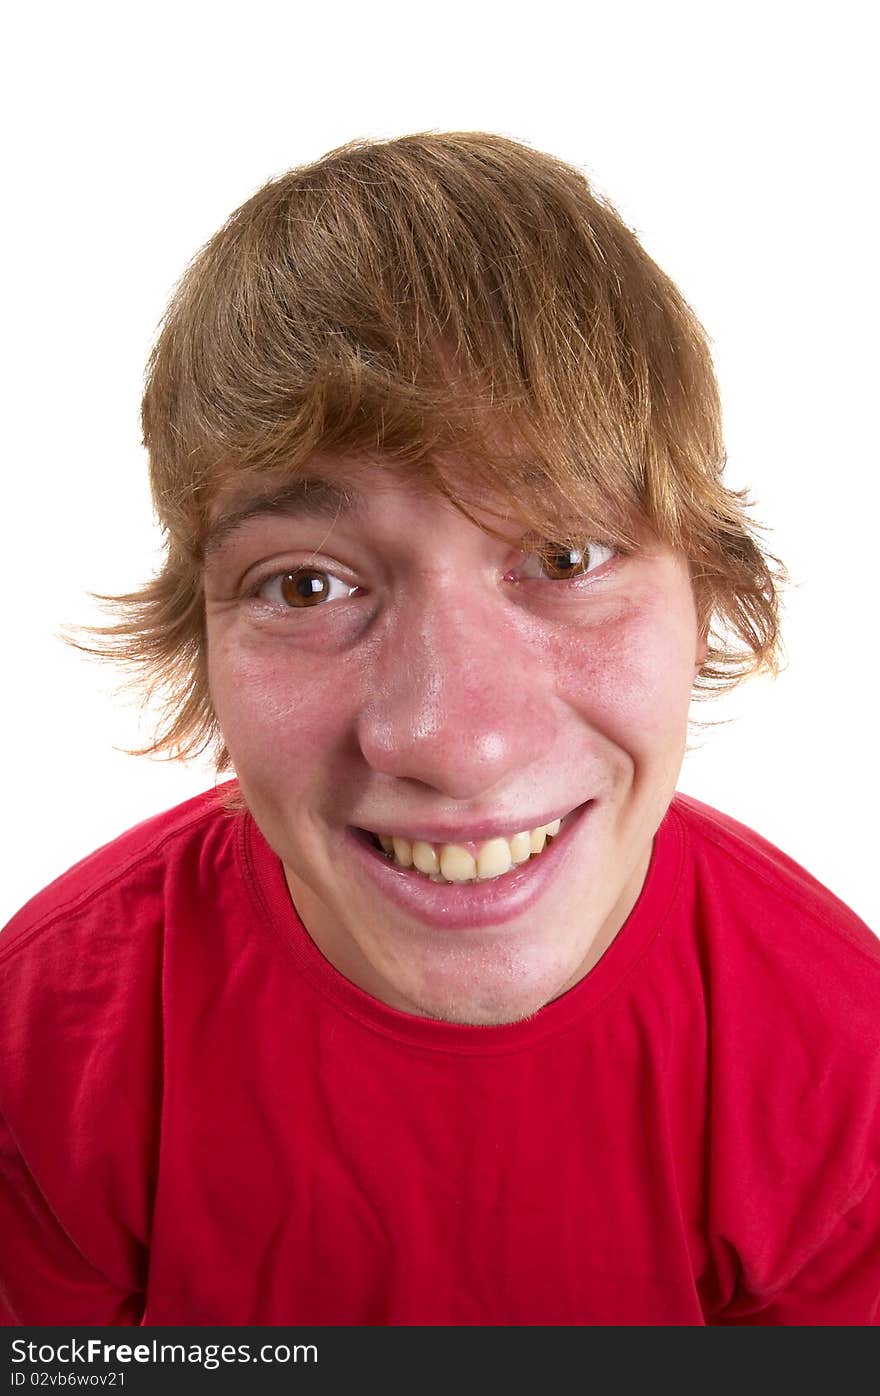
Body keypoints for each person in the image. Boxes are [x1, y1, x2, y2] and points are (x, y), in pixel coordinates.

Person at [1, 131, 878, 1328]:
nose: (455, 741)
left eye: (565, 556)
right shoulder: (47, 1051)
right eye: (307, 585)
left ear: (710, 595)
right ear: (201, 643)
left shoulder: (844, 1074)